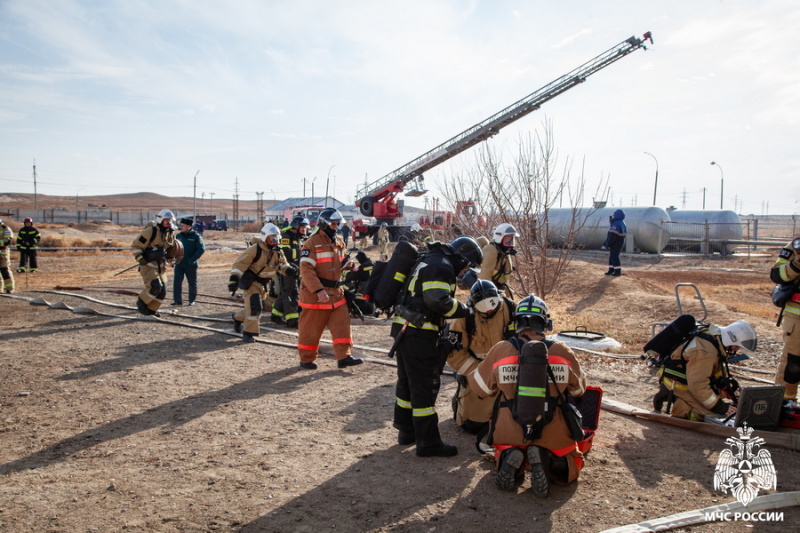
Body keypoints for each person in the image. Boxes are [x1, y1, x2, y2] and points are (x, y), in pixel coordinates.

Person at [464, 295, 587, 496]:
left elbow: (481, 390)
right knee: (573, 460)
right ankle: (552, 460)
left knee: (504, 448)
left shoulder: (501, 349)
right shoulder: (561, 350)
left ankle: (510, 454)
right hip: (553, 429)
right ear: (545, 321)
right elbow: (579, 390)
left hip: (510, 428)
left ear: (516, 321)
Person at [391, 235, 483, 457]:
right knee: (424, 386)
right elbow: (438, 301)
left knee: (407, 383)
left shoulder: (430, 259)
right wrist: (467, 310)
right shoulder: (441, 266)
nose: (464, 271)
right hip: (419, 333)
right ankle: (428, 443)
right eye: (467, 265)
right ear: (461, 258)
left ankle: (407, 432)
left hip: (403, 328)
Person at [297, 207, 363, 370]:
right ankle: (306, 359)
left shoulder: (339, 242)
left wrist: (349, 265)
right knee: (311, 329)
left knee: (342, 327)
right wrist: (318, 290)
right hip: (316, 295)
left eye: (337, 224)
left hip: (336, 294)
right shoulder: (311, 243)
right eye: (333, 224)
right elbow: (306, 270)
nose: (336, 227)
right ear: (324, 224)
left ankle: (344, 357)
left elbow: (340, 263)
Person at [448, 279, 516, 433]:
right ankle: (461, 403)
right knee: (474, 426)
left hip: (509, 373)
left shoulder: (511, 309)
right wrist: (481, 372)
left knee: (513, 420)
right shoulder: (465, 317)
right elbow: (454, 354)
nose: (489, 313)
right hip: (477, 374)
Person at [654, 320, 757, 421]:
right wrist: (722, 408)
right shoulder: (705, 352)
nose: (736, 350)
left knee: (715, 399)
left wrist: (732, 394)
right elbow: (698, 385)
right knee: (711, 415)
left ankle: (677, 398)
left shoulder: (715, 337)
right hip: (679, 383)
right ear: (731, 340)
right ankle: (678, 402)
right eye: (736, 347)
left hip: (690, 378)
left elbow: (710, 364)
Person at [230, 223, 297, 343]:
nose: (275, 241)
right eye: (272, 239)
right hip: (252, 282)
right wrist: (234, 279)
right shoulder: (254, 250)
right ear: (265, 238)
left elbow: (282, 265)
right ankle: (248, 333)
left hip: (264, 284)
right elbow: (239, 264)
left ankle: (237, 317)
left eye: (277, 239)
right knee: (255, 307)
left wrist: (289, 270)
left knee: (252, 307)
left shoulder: (277, 251)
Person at [770, 237, 800, 406]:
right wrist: (796, 265)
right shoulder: (794, 248)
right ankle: (785, 400)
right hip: (797, 313)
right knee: (794, 358)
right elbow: (776, 275)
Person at [131, 209, 178, 316]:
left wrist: (172, 259)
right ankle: (142, 304)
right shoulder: (150, 231)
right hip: (148, 265)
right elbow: (135, 246)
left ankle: (151, 310)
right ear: (160, 220)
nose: (169, 223)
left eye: (170, 221)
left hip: (161, 265)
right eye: (167, 221)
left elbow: (171, 248)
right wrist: (140, 259)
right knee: (154, 286)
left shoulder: (169, 234)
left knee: (163, 291)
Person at [272, 215, 310, 327]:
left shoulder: (297, 236)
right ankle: (292, 320)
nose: (304, 231)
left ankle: (276, 315)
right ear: (296, 226)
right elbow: (285, 253)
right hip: (286, 268)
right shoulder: (286, 236)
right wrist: (302, 251)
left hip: (295, 268)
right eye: (303, 228)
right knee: (291, 293)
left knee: (285, 291)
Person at [172, 217, 205, 306]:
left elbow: (201, 249)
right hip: (179, 263)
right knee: (177, 282)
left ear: (188, 226)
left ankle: (192, 300)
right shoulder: (178, 236)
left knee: (192, 283)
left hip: (190, 264)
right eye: (181, 225)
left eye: (183, 225)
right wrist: (174, 258)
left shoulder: (196, 236)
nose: (181, 227)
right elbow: (174, 248)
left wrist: (192, 259)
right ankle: (177, 300)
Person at [479, 223, 517, 298]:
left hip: (500, 292)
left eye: (511, 240)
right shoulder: (492, 250)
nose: (510, 243)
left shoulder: (504, 254)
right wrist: (489, 295)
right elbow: (484, 275)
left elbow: (504, 279)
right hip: (488, 294)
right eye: (508, 240)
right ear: (499, 238)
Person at [602, 209, 627, 276]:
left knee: (615, 256)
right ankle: (611, 269)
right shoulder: (621, 223)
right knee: (612, 256)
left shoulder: (616, 224)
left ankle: (617, 271)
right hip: (619, 242)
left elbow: (612, 235)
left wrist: (608, 243)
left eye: (614, 215)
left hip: (616, 242)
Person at [0, 219, 15, 293]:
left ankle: (10, 288)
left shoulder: (5, 228)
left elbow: (7, 241)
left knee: (5, 270)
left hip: (3, 252)